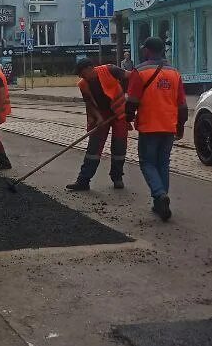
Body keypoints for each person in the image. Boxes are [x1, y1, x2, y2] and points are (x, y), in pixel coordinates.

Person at [125, 36, 187, 222]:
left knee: (147, 162)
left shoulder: (140, 71)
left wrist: (128, 118)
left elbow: (132, 101)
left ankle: (160, 195)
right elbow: (182, 105)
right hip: (168, 126)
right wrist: (181, 126)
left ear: (147, 51)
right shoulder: (174, 73)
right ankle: (160, 202)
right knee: (163, 163)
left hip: (149, 125)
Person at [66, 58, 128, 192]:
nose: (80, 77)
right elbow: (89, 104)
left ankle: (117, 178)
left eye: (82, 73)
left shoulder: (110, 69)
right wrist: (98, 118)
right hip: (102, 113)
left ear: (90, 68)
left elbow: (131, 78)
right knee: (93, 148)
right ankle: (83, 181)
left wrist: (130, 98)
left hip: (119, 112)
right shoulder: (83, 84)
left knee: (119, 145)